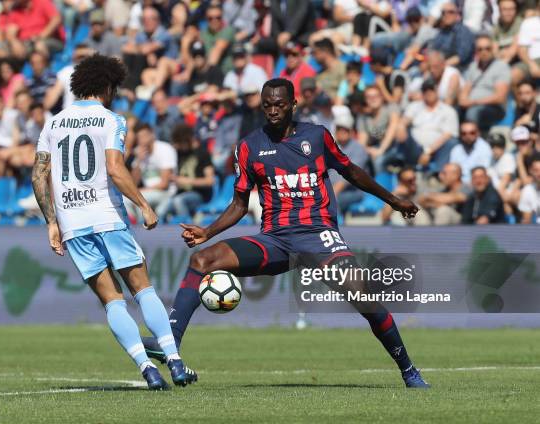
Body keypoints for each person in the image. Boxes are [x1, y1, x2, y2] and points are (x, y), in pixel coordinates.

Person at [142, 78, 430, 389]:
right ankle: (169, 342)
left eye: (279, 104)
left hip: (319, 236)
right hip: (276, 240)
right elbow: (239, 204)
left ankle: (409, 370)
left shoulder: (317, 137)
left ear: (293, 104)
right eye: (267, 105)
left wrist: (394, 200)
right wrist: (207, 232)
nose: (273, 110)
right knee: (202, 260)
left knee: (365, 300)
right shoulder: (249, 146)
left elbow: (351, 171)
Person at [31, 54, 196, 390]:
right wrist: (144, 205)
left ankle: (147, 368)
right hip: (107, 216)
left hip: (73, 224)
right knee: (142, 289)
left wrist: (52, 222)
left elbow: (39, 174)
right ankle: (175, 362)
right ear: (107, 86)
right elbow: (115, 169)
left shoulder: (53, 123)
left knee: (112, 300)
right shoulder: (111, 120)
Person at [396, 79, 459, 171]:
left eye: (431, 89)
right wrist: (401, 126)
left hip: (437, 149)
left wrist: (428, 152)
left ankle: (438, 172)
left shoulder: (448, 110)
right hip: (415, 146)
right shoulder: (414, 106)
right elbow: (406, 119)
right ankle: (404, 166)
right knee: (402, 130)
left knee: (452, 142)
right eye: (425, 90)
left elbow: (447, 134)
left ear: (437, 91)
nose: (428, 92)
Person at [458, 34, 511, 135]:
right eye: (480, 49)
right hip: (472, 104)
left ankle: (474, 146)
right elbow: (465, 91)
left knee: (473, 112)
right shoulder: (473, 67)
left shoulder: (501, 67)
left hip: (493, 108)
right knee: (454, 112)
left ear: (492, 49)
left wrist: (474, 102)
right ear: (476, 51)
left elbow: (499, 97)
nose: (484, 52)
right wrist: (464, 101)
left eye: (487, 48)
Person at [519, 154, 540, 224]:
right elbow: (527, 222)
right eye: (536, 170)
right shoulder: (527, 191)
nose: (539, 174)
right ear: (530, 171)